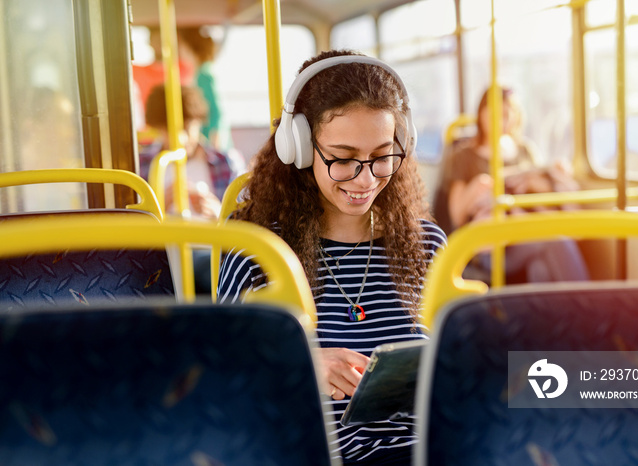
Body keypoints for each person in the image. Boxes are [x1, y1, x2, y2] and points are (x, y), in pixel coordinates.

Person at [217, 50, 447, 465]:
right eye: (342, 159)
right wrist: (301, 363)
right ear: (300, 148)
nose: (366, 179)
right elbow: (221, 375)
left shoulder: (427, 244)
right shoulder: (258, 250)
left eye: (382, 156)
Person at [435, 87, 588, 283]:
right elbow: (457, 216)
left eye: (506, 114)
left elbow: (545, 201)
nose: (500, 120)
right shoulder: (463, 156)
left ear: (516, 117)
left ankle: (555, 314)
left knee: (540, 270)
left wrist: (537, 182)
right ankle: (589, 309)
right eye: (493, 113)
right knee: (558, 240)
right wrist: (479, 187)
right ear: (481, 114)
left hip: (526, 225)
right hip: (490, 240)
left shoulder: (525, 150)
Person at [139, 84, 238, 293]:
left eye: (185, 128)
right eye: (168, 130)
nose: (179, 138)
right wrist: (159, 206)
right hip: (163, 250)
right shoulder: (146, 164)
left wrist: (218, 213)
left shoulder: (223, 162)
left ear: (198, 122)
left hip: (210, 247)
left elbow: (246, 221)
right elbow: (132, 225)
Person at [178, 27, 224, 151]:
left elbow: (215, 111)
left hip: (211, 138)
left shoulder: (203, 75)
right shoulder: (202, 72)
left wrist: (214, 139)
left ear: (189, 47)